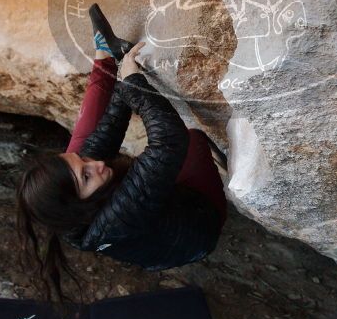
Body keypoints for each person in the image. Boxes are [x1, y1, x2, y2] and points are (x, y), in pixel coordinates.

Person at [16, 15, 228, 304]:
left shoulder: (77, 205)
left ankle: (104, 57)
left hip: (157, 217)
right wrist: (133, 82)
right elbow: (168, 141)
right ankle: (214, 155)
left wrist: (123, 76)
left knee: (82, 143)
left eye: (80, 164)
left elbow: (107, 131)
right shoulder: (120, 214)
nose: (96, 165)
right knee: (191, 140)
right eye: (86, 176)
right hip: (198, 229)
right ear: (79, 204)